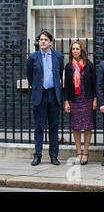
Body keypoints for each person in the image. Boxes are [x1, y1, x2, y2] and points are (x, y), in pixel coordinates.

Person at [27, 31, 64, 166]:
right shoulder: (32, 57)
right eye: (41, 39)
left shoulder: (58, 57)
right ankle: (37, 155)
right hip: (40, 95)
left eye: (45, 39)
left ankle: (53, 155)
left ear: (50, 42)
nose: (42, 42)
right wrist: (37, 87)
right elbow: (30, 77)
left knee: (54, 127)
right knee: (39, 127)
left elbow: (59, 74)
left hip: (53, 95)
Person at [64, 41, 97, 165]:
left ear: (82, 50)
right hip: (74, 100)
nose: (75, 51)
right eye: (73, 49)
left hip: (87, 99)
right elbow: (66, 86)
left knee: (87, 126)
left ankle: (86, 152)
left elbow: (94, 83)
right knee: (76, 127)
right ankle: (78, 152)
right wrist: (66, 101)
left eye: (77, 49)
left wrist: (95, 99)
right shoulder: (68, 67)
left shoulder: (89, 65)